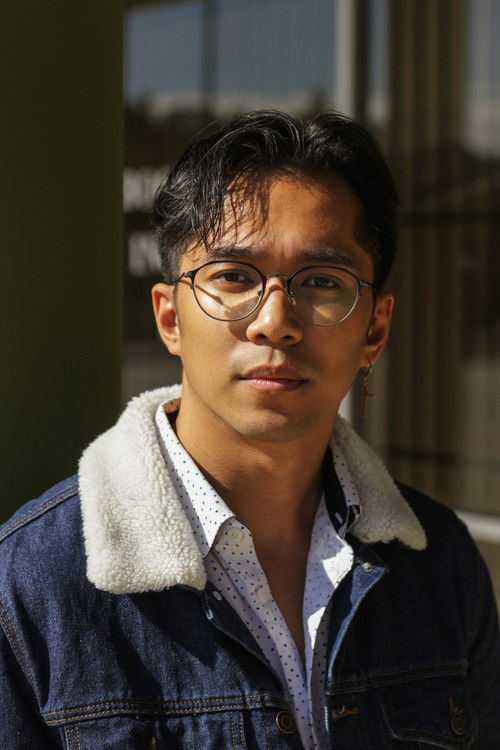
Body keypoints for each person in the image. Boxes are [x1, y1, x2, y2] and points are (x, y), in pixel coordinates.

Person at [0, 111, 498, 749]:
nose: (274, 321)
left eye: (322, 282)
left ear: (374, 329)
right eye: (234, 276)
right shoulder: (31, 585)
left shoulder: (440, 565)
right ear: (170, 319)